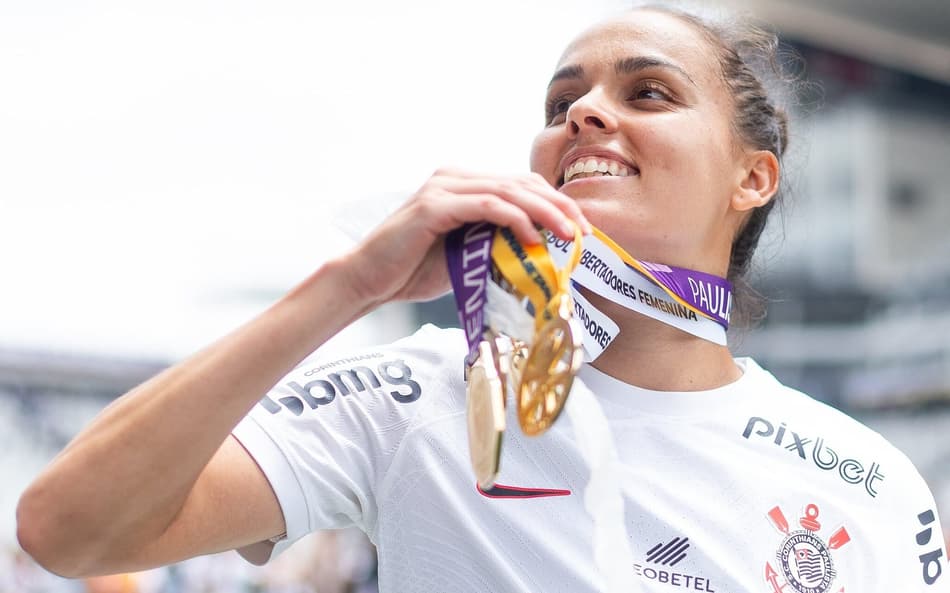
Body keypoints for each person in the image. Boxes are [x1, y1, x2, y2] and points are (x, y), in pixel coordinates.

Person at [16, 5, 948, 593]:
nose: (582, 114)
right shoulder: (424, 392)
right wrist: (354, 285)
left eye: (650, 92)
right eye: (560, 103)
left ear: (754, 176)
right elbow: (69, 529)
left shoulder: (865, 479)